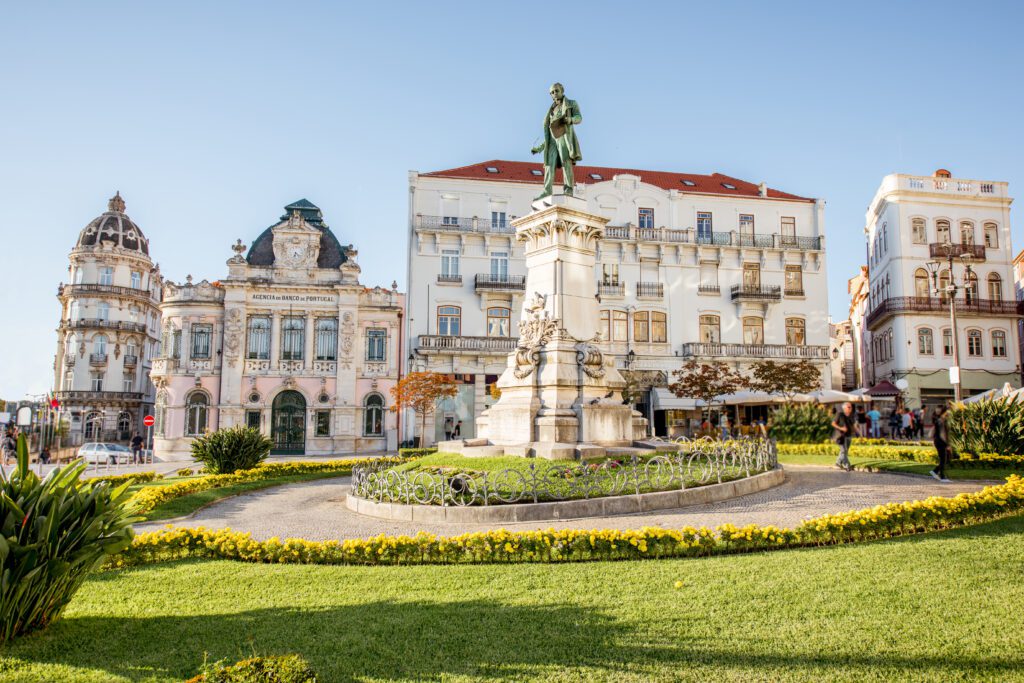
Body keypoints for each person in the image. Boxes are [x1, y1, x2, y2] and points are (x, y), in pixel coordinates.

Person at [531, 82, 583, 200]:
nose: (554, 94)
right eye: (552, 92)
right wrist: (539, 148)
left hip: (564, 137)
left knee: (566, 163)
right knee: (549, 165)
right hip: (553, 141)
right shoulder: (551, 110)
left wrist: (570, 119)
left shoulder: (571, 103)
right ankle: (547, 190)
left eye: (556, 91)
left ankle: (568, 190)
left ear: (562, 91)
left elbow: (579, 118)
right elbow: (549, 133)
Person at [831, 402, 856, 471]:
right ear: (844, 408)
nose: (850, 408)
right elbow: (833, 423)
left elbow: (853, 426)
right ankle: (847, 465)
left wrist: (860, 434)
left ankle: (837, 463)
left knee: (845, 451)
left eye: (851, 407)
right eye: (849, 407)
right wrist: (841, 428)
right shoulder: (839, 414)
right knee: (843, 450)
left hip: (848, 436)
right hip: (840, 436)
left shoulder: (851, 416)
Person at [930, 405, 952, 483]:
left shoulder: (938, 419)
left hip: (938, 440)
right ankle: (942, 476)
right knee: (944, 459)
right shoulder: (941, 420)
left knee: (945, 458)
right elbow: (942, 434)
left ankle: (936, 471)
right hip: (941, 441)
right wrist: (947, 444)